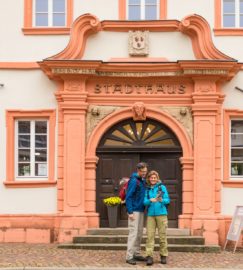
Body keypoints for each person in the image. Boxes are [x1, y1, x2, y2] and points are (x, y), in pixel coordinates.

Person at [144, 170, 170, 266]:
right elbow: (144, 202)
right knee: (150, 236)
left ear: (157, 178)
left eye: (155, 178)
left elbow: (168, 200)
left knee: (162, 236)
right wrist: (150, 200)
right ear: (149, 179)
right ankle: (149, 256)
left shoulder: (162, 187)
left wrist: (162, 200)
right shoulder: (147, 189)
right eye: (151, 178)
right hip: (151, 215)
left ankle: (163, 255)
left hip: (162, 214)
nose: (153, 179)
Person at [125, 162, 148, 265]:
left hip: (141, 210)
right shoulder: (134, 181)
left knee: (139, 233)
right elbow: (128, 196)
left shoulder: (142, 181)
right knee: (133, 234)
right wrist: (130, 212)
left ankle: (136, 253)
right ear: (138, 170)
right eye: (143, 172)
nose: (144, 173)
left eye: (145, 172)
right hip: (134, 211)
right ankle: (129, 256)